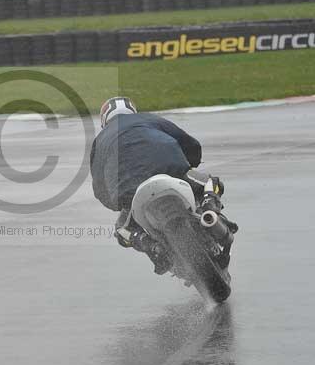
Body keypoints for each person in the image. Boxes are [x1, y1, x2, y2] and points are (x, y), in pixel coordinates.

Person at [89, 96, 228, 275]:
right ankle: (210, 209)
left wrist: (117, 203)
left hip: (129, 189)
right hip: (170, 168)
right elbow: (188, 142)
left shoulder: (100, 140)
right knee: (211, 183)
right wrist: (190, 163)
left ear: (104, 119)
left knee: (122, 231)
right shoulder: (148, 118)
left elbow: (99, 188)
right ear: (132, 110)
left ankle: (151, 246)